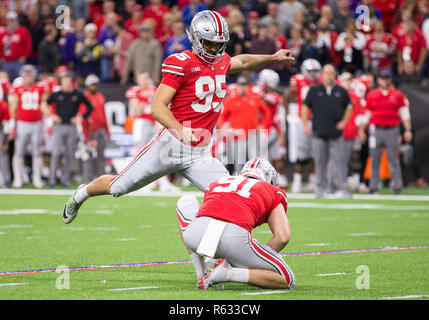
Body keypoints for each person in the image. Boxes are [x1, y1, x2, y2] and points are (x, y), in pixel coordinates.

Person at [61, 11, 295, 279]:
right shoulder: (180, 62)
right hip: (170, 145)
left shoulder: (220, 61)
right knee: (119, 186)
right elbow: (157, 106)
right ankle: (82, 194)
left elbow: (241, 61)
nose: (214, 49)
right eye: (208, 43)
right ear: (195, 38)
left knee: (229, 201)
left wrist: (273, 57)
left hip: (199, 153)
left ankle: (211, 265)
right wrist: (178, 128)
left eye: (219, 44)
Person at [177, 158, 295, 290]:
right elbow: (282, 237)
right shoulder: (271, 190)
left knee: (186, 200)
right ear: (270, 180)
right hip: (234, 239)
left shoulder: (219, 181)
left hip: (196, 235)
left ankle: (201, 272)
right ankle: (229, 273)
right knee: (286, 278)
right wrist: (250, 261)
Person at [359, 68, 413, 194]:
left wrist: (408, 130)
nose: (385, 81)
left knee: (393, 159)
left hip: (392, 130)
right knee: (374, 159)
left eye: (387, 78)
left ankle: (397, 187)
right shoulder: (372, 95)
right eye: (383, 78)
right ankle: (373, 187)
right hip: (376, 130)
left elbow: (404, 113)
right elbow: (366, 114)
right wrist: (361, 130)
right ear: (379, 80)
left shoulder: (397, 95)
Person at [302, 64, 353, 197]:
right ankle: (321, 188)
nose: (329, 76)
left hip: (336, 133)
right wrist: (304, 124)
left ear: (334, 75)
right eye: (326, 73)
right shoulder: (314, 90)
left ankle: (341, 188)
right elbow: (305, 106)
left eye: (331, 73)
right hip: (319, 132)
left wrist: (344, 122)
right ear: (322, 74)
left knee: (339, 162)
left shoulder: (341, 91)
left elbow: (349, 107)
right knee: (320, 162)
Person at [42, 72, 94, 188]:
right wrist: (51, 115)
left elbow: (90, 107)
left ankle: (65, 181)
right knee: (55, 154)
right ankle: (52, 181)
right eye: (64, 82)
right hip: (59, 127)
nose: (66, 84)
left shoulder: (77, 94)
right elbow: (45, 104)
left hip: (71, 127)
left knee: (69, 155)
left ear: (72, 83)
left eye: (68, 82)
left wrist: (80, 117)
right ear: (61, 83)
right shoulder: (56, 94)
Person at [218, 75, 271, 174]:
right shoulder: (231, 99)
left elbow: (266, 112)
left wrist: (262, 124)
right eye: (241, 85)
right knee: (239, 161)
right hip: (237, 135)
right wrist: (223, 127)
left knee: (254, 161)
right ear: (237, 86)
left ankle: (254, 181)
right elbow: (222, 116)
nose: (243, 87)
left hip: (252, 134)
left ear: (248, 86)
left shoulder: (255, 98)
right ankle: (240, 180)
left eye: (245, 85)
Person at [284, 58, 322, 193]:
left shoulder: (321, 81)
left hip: (318, 121)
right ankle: (297, 182)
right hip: (302, 120)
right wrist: (288, 115)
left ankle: (313, 182)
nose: (312, 74)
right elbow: (286, 97)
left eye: (315, 71)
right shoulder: (298, 80)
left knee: (315, 153)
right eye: (310, 71)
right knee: (299, 152)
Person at [9, 65, 48, 188]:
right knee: (19, 151)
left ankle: (37, 178)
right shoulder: (18, 89)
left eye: (30, 75)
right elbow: (13, 107)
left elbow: (44, 104)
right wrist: (12, 125)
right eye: (27, 75)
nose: (29, 78)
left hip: (36, 123)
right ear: (23, 76)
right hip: (22, 123)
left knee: (37, 152)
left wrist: (48, 120)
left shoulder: (40, 88)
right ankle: (17, 178)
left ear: (34, 75)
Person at [253, 69, 288, 188]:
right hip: (272, 130)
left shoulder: (273, 96)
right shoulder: (269, 95)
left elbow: (260, 105)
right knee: (275, 156)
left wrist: (257, 92)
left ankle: (264, 180)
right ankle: (281, 181)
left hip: (269, 130)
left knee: (262, 156)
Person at [80, 74, 109, 183]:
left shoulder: (100, 96)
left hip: (100, 130)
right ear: (87, 85)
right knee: (88, 155)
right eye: (92, 84)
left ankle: (101, 179)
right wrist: (86, 135)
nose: (94, 86)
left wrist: (107, 131)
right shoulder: (84, 97)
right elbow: (83, 116)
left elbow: (103, 114)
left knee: (101, 155)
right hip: (90, 130)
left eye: (95, 84)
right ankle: (88, 180)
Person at [0, 11, 32, 81]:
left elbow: (28, 45)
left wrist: (25, 56)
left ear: (17, 20)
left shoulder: (23, 31)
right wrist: (1, 57)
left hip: (18, 62)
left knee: (20, 80)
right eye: (9, 20)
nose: (11, 22)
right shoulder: (3, 33)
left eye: (13, 20)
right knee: (6, 81)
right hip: (6, 63)